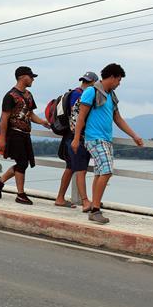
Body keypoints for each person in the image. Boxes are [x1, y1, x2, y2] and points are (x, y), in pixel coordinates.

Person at [72, 63, 144, 224]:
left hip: (106, 139)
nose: (119, 84)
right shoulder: (91, 92)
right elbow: (81, 117)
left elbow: (117, 119)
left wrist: (134, 136)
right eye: (118, 80)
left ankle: (94, 206)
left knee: (99, 172)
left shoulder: (111, 96)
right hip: (94, 138)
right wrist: (76, 139)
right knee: (106, 171)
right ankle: (96, 209)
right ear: (112, 77)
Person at [0, 66, 51, 205]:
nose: (32, 80)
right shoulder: (10, 96)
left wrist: (42, 122)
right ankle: (20, 194)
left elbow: (30, 114)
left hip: (25, 134)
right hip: (14, 134)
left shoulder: (29, 95)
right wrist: (2, 138)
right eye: (31, 77)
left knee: (22, 163)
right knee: (22, 163)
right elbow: (4, 119)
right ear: (22, 77)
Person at [54, 71, 98, 211]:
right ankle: (85, 202)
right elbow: (78, 117)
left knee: (71, 167)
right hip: (77, 137)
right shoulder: (81, 96)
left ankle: (60, 198)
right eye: (86, 82)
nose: (86, 84)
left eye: (87, 82)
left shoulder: (73, 93)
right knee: (81, 170)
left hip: (70, 136)